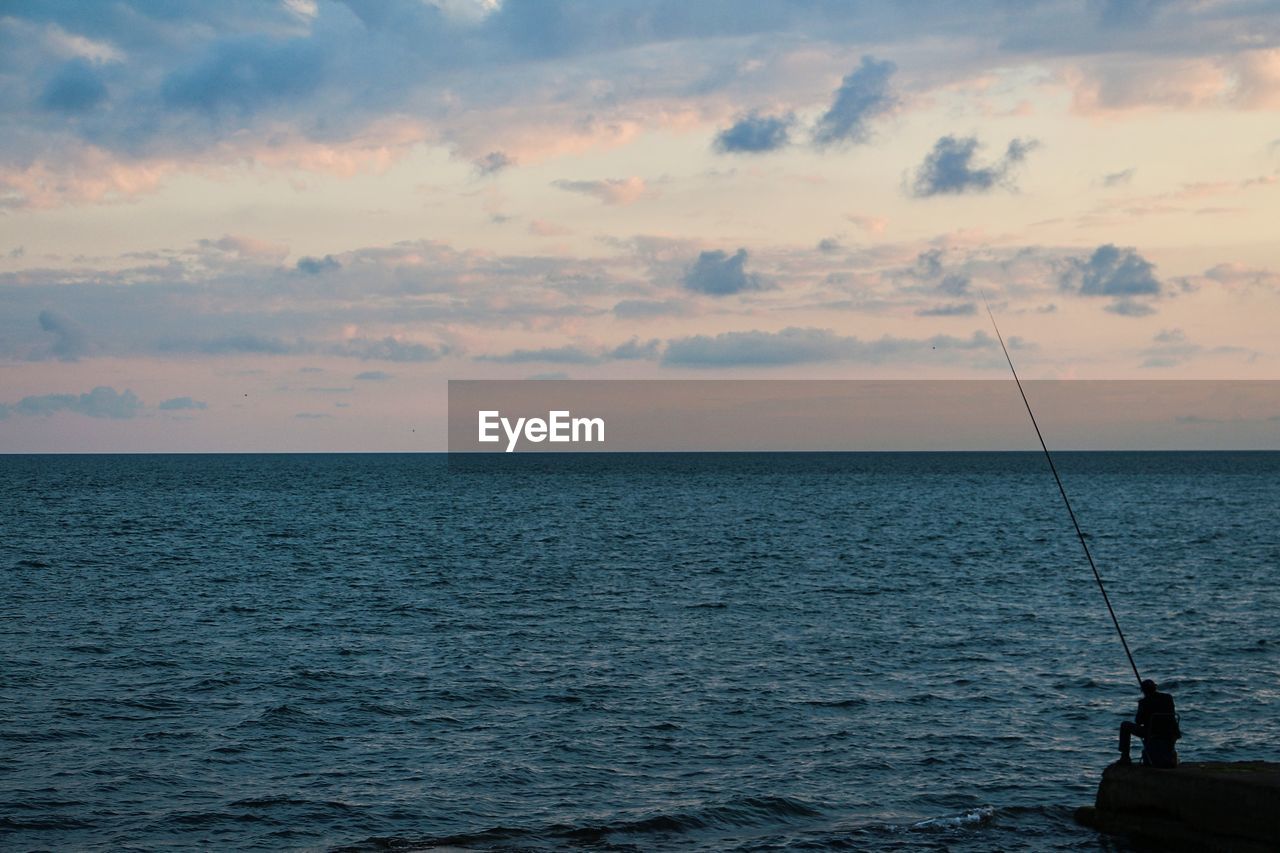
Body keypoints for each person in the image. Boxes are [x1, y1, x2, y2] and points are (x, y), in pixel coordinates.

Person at [1117, 679, 1180, 767]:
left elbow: (1138, 721)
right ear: (1155, 687)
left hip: (1152, 732)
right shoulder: (1168, 698)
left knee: (1125, 725)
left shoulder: (1144, 702)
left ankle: (1125, 757)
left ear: (1143, 691)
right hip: (1171, 732)